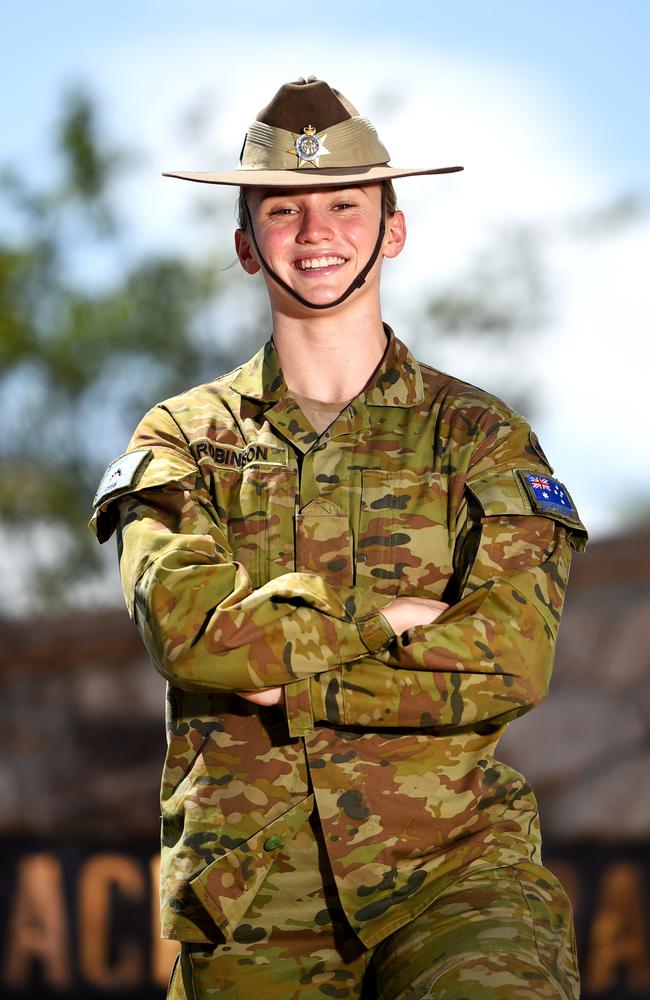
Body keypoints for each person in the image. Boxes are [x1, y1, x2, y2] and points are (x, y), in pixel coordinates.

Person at [91, 76, 588, 999]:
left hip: (457, 877)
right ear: (247, 246)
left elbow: (511, 657)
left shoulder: (479, 437)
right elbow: (191, 637)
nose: (316, 232)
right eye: (284, 210)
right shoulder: (179, 439)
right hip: (245, 905)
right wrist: (384, 622)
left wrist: (285, 667)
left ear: (392, 230)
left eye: (345, 205)